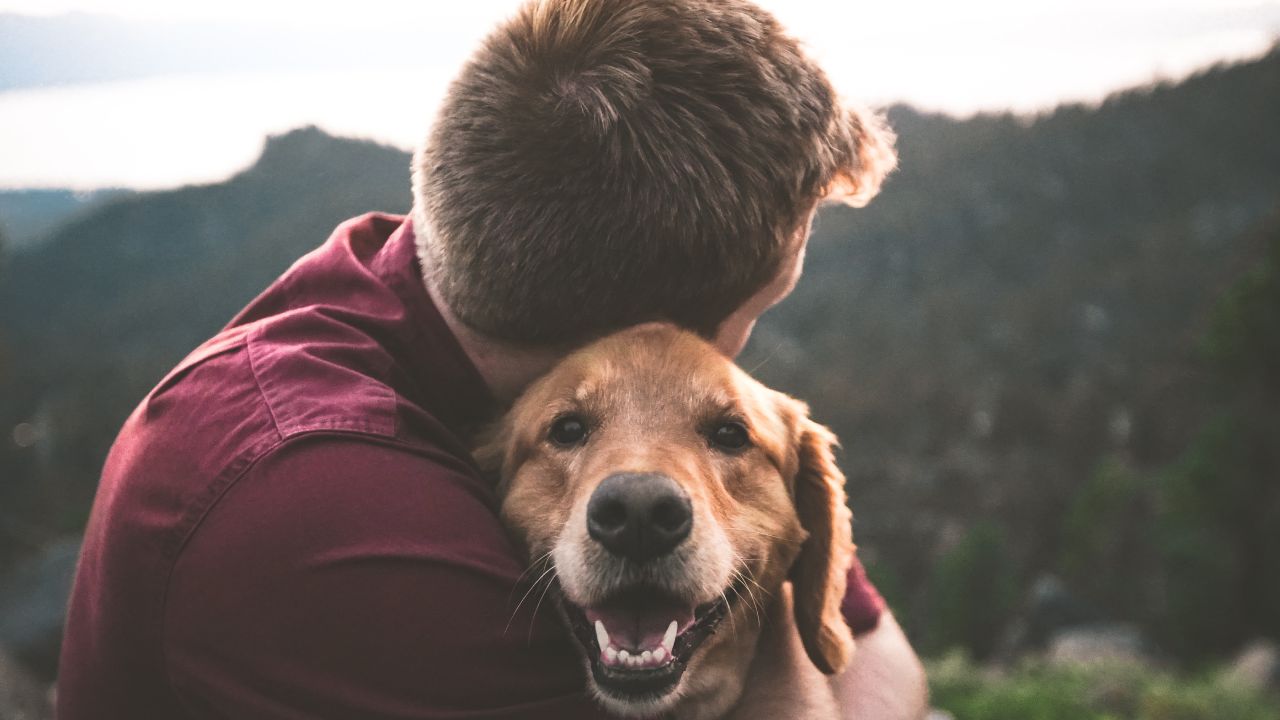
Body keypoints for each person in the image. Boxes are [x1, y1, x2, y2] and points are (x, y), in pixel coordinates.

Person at [57, 0, 926, 717]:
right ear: (647, 333)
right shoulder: (323, 512)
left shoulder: (435, 279)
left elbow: (880, 656)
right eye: (759, 310)